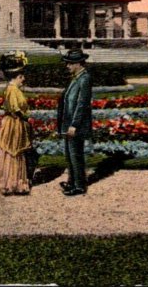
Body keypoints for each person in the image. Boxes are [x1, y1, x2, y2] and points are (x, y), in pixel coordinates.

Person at [0, 50, 36, 195]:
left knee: (15, 151)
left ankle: (14, 181)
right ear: (18, 76)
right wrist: (27, 117)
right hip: (14, 122)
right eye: (22, 77)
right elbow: (15, 109)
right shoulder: (13, 90)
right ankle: (11, 182)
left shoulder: (12, 89)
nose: (24, 80)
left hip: (15, 122)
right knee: (13, 151)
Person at [57, 48, 93, 196]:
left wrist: (74, 124)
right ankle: (72, 181)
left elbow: (82, 103)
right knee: (69, 154)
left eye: (70, 64)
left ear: (78, 63)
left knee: (75, 154)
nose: (68, 66)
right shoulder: (77, 77)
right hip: (69, 122)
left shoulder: (84, 78)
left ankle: (79, 185)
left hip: (75, 124)